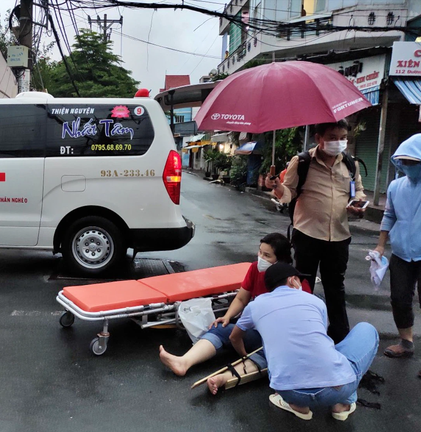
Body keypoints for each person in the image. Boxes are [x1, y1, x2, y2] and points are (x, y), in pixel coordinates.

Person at [228, 262, 378, 421]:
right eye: (299, 279)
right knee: (366, 329)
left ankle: (297, 406)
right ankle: (342, 404)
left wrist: (244, 356)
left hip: (288, 391)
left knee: (272, 341)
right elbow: (319, 338)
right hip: (336, 388)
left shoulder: (255, 305)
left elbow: (234, 337)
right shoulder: (315, 301)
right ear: (292, 280)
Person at [265, 119, 367, 343]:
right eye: (332, 138)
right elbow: (289, 192)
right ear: (318, 138)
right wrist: (276, 186)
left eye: (342, 138)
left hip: (339, 235)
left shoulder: (350, 163)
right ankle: (303, 332)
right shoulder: (301, 162)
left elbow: (357, 190)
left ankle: (340, 336)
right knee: (304, 285)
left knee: (335, 286)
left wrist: (358, 203)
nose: (338, 142)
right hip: (308, 234)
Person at [159, 233, 310, 378]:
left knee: (268, 351)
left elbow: (303, 323)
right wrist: (227, 317)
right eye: (260, 252)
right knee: (220, 328)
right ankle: (183, 362)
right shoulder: (255, 269)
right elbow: (241, 299)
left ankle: (238, 370)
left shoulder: (296, 283)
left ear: (280, 260)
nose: (261, 258)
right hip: (259, 332)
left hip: (282, 338)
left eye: (267, 255)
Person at [373, 134, 421, 372]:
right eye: (404, 162)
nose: (407, 167)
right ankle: (406, 342)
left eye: (413, 162)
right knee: (399, 298)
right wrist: (381, 245)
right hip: (401, 253)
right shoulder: (395, 186)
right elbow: (389, 215)